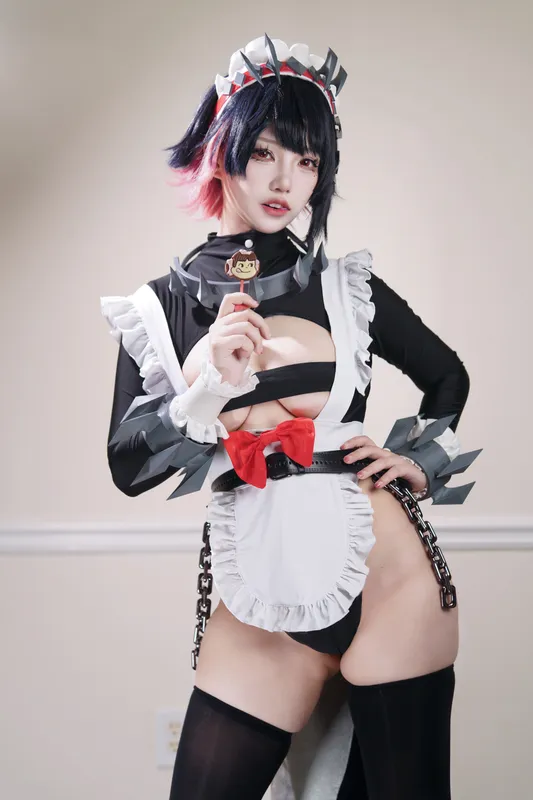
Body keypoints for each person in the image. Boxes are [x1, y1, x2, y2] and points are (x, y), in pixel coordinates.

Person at [101, 35, 481, 800]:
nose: (285, 180)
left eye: (307, 161)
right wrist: (206, 388)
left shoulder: (347, 288)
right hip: (262, 600)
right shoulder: (159, 307)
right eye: (266, 151)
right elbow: (127, 467)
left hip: (389, 582)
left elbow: (446, 376)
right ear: (221, 148)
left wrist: (420, 459)